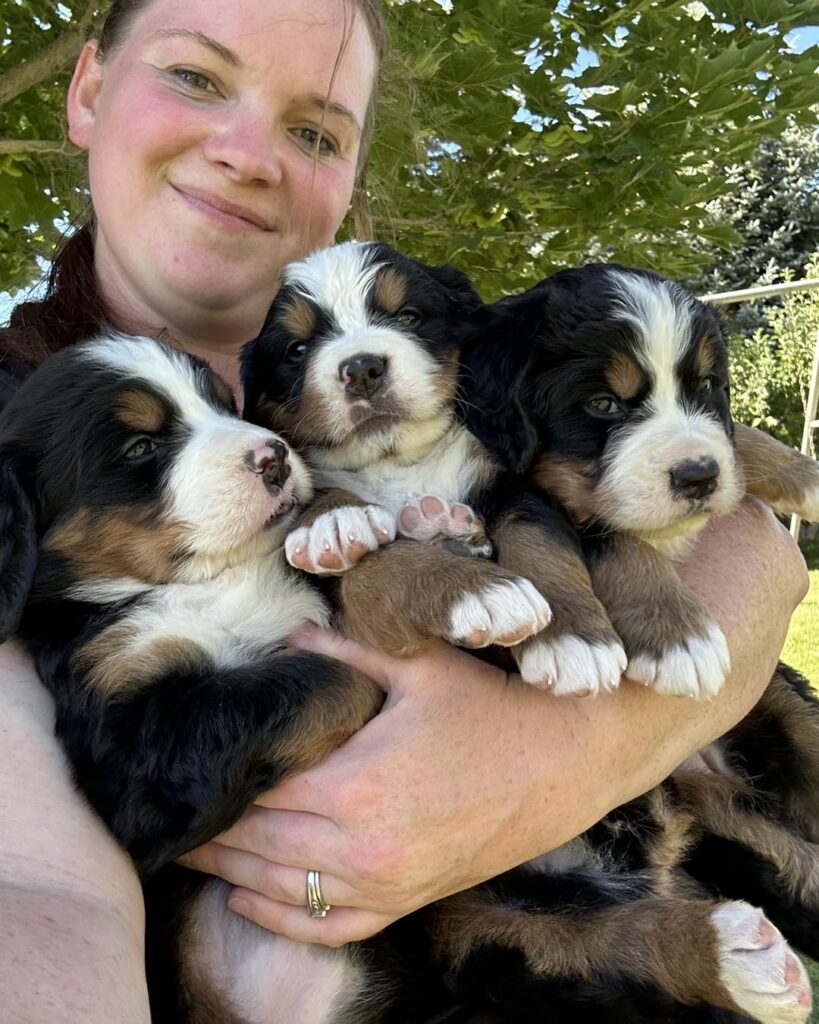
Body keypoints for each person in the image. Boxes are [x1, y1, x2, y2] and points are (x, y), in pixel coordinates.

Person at [0, 0, 808, 1019]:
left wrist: (566, 752)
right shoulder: (20, 438)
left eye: (316, 131)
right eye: (197, 77)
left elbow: (746, 545)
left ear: (349, 180)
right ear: (87, 90)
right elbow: (34, 883)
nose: (250, 153)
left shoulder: (461, 357)